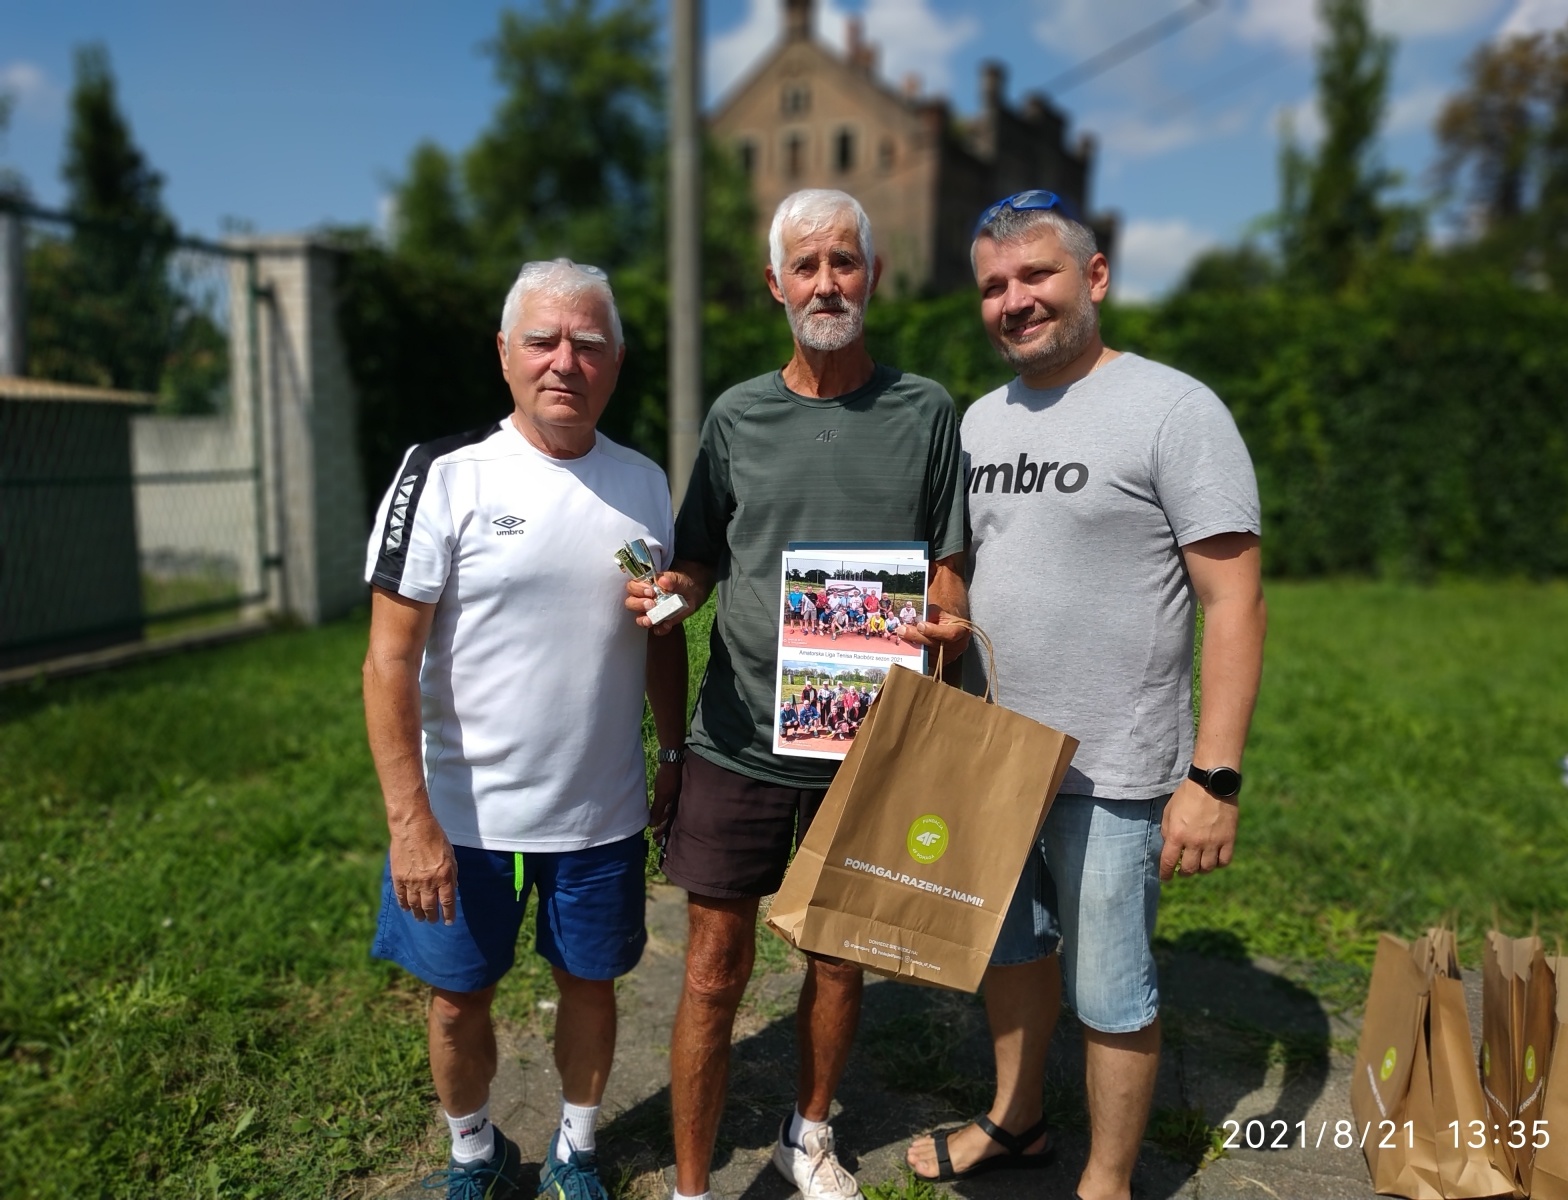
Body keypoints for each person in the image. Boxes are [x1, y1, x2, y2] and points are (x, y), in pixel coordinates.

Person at [904, 192, 1265, 1200]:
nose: (1015, 302)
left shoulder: (1174, 410)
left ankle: (1106, 1181)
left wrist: (1215, 776)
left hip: (1112, 762)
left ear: (1093, 279)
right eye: (994, 286)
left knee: (1112, 990)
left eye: (1036, 277)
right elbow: (966, 575)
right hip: (989, 755)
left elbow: (1233, 601)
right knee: (1009, 954)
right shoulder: (976, 422)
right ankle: (1017, 1124)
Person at [623, 189, 969, 1200]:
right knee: (708, 970)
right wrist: (672, 595)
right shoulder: (736, 415)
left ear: (873, 277)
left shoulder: (925, 409)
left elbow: (946, 565)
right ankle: (692, 1186)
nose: (828, 282)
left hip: (867, 745)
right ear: (775, 285)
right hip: (736, 737)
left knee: (836, 957)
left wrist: (942, 627)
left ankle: (807, 1136)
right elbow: (696, 559)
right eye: (807, 265)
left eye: (846, 262)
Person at [363, 259, 687, 1200]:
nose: (564, 362)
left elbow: (660, 634)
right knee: (460, 1000)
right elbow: (387, 660)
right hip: (463, 821)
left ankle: (576, 1149)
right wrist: (408, 821)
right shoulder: (443, 476)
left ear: (616, 361)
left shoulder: (643, 483)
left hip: (601, 814)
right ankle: (474, 1154)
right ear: (504, 354)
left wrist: (669, 753)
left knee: (591, 985)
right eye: (542, 341)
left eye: (587, 344)